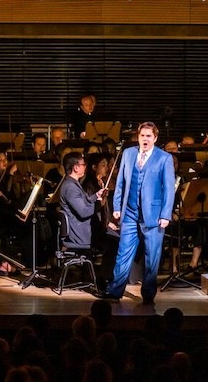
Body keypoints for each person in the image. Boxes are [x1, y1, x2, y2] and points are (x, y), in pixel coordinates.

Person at [104, 121, 175, 304]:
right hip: (130, 213)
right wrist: (117, 207)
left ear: (155, 138)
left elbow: (168, 188)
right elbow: (120, 182)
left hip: (153, 215)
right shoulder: (128, 154)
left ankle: (148, 294)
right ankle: (115, 290)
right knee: (123, 252)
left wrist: (166, 215)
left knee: (152, 256)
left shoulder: (164, 158)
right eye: (142, 135)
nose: (145, 139)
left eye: (148, 136)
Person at [58, 152, 105, 249]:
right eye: (83, 165)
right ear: (75, 168)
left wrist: (97, 195)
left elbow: (84, 201)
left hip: (81, 231)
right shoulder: (70, 187)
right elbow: (84, 211)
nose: (85, 167)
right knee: (110, 240)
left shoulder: (73, 184)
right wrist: (99, 204)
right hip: (79, 234)